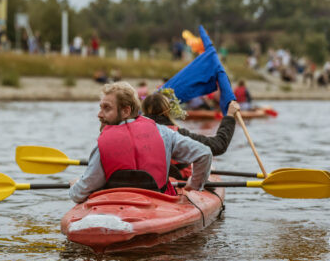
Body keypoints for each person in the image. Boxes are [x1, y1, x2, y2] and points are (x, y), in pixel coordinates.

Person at [69, 81, 212, 203]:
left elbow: (79, 193)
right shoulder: (164, 133)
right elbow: (204, 153)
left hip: (117, 206)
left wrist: (74, 186)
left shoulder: (102, 146)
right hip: (161, 204)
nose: (99, 114)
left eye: (106, 108)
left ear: (126, 111)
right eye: (100, 108)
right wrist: (194, 186)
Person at [142, 93, 239, 179]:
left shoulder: (134, 132)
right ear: (167, 111)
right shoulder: (178, 134)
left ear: (144, 111)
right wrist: (230, 116)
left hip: (148, 179)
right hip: (175, 178)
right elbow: (219, 145)